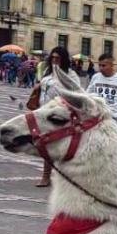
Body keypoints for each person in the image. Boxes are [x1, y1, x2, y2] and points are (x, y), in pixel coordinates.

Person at [35, 47, 83, 187]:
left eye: (58, 58)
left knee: (62, 146)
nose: (55, 60)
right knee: (45, 144)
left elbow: (77, 92)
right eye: (53, 57)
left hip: (60, 114)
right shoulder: (47, 72)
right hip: (43, 111)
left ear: (63, 59)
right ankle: (46, 175)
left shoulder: (70, 74)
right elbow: (42, 85)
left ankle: (67, 176)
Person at [87, 52, 117, 131]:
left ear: (112, 65)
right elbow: (87, 95)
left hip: (113, 117)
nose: (101, 68)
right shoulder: (95, 77)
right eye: (99, 65)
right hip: (96, 115)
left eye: (104, 65)